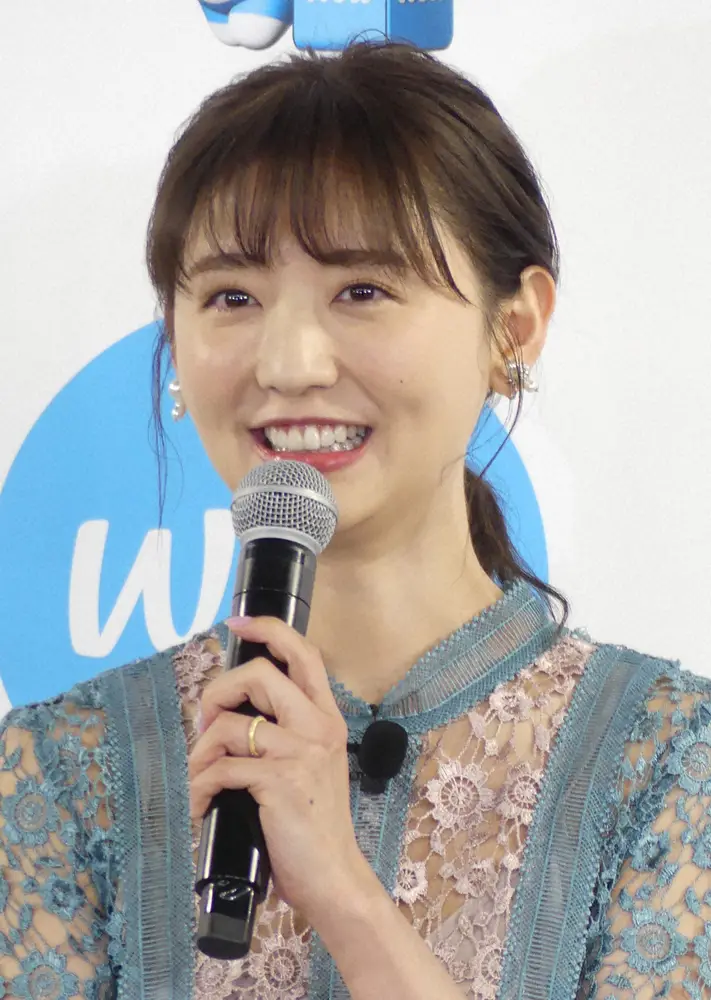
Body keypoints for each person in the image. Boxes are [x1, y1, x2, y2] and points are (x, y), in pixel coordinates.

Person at [1, 40, 709, 1000]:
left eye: (362, 290)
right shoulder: (58, 772)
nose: (289, 362)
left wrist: (342, 893)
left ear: (513, 327)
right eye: (232, 297)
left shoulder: (670, 763)